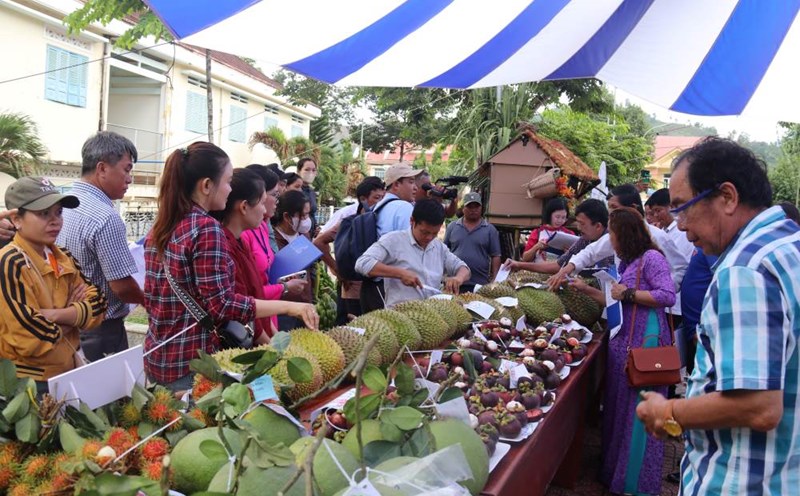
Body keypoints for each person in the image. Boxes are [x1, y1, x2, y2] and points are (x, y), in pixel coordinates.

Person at [636, 137, 800, 495]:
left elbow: (758, 407)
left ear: (727, 197)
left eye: (683, 207)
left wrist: (670, 411)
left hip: (739, 481)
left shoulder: (745, 269)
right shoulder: (789, 248)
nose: (678, 225)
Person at [144, 143, 317, 391]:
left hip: (159, 355)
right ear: (206, 186)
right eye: (226, 181)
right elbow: (222, 305)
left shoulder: (161, 226)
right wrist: (291, 306)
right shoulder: (206, 228)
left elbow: (152, 296)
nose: (229, 189)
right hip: (192, 362)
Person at [570, 207, 675, 495]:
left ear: (624, 234)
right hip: (623, 344)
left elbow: (667, 295)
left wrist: (626, 293)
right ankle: (615, 475)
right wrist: (584, 289)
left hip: (645, 345)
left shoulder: (652, 259)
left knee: (638, 414)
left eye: (613, 234)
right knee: (619, 412)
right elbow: (617, 302)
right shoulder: (629, 263)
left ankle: (635, 484)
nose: (611, 240)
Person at [0, 177, 107, 394]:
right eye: (43, 213)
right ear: (16, 219)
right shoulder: (10, 262)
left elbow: (99, 306)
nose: (55, 221)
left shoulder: (63, 256)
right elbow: (31, 338)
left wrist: (55, 315)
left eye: (58, 212)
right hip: (29, 385)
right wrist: (75, 317)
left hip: (70, 371)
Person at [57, 131, 144, 362]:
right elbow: (122, 287)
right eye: (126, 169)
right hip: (102, 331)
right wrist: (150, 301)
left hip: (65, 325)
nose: (129, 178)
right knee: (113, 395)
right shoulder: (105, 217)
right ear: (102, 168)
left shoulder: (59, 207)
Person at [547, 184, 687, 291]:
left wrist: (658, 292)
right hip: (625, 304)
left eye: (614, 207)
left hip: (658, 309)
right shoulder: (616, 235)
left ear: (633, 208)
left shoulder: (657, 236)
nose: (611, 214)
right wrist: (568, 268)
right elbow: (591, 252)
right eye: (609, 209)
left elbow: (679, 269)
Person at [355, 199, 470, 307]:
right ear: (412, 221)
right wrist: (400, 273)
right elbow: (363, 263)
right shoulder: (393, 240)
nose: (429, 237)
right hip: (401, 317)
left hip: (432, 316)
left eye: (434, 233)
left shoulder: (439, 247)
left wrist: (458, 279)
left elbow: (463, 268)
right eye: (424, 232)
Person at [210, 168, 275, 344]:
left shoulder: (241, 242)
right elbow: (241, 308)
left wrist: (276, 337)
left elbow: (256, 294)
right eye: (261, 203)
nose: (264, 210)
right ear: (244, 207)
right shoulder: (223, 248)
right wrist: (272, 349)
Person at [241, 165, 308, 334]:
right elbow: (244, 297)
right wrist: (284, 289)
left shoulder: (263, 226)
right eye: (273, 195)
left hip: (269, 317)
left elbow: (263, 281)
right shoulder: (242, 236)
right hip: (253, 324)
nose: (276, 202)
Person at [314, 177, 385, 323]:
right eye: (377, 198)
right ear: (363, 199)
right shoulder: (350, 222)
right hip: (353, 291)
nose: (381, 202)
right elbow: (319, 242)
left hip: (378, 291)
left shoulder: (382, 221)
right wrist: (338, 271)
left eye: (383, 198)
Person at [361, 162, 422, 312]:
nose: (415, 187)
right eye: (411, 182)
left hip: (371, 285)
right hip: (388, 288)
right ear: (396, 185)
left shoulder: (378, 206)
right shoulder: (403, 208)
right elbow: (412, 251)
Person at [505, 198, 613, 274]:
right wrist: (519, 264)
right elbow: (558, 265)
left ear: (598, 226)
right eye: (557, 216)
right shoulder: (584, 239)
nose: (579, 228)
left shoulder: (614, 242)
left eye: (582, 224)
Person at [644, 188, 694, 327]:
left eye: (658, 210)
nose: (655, 215)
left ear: (671, 207)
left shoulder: (680, 233)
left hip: (675, 304)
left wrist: (665, 290)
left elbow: (680, 266)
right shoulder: (665, 232)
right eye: (652, 212)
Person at [272, 189, 314, 331]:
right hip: (282, 310)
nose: (307, 220)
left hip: (304, 305)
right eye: (304, 215)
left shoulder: (305, 237)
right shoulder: (272, 240)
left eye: (308, 214)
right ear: (287, 217)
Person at [443, 192, 501, 292]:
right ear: (463, 208)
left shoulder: (490, 229)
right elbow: (443, 251)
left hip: (479, 284)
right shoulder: (453, 227)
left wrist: (495, 278)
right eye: (470, 207)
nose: (473, 210)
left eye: (476, 207)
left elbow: (496, 255)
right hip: (454, 283)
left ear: (481, 208)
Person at [521, 197, 574, 262]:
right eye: (557, 217)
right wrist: (536, 247)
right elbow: (525, 259)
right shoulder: (537, 233)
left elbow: (576, 260)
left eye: (563, 218)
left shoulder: (569, 234)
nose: (560, 220)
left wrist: (570, 254)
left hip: (560, 271)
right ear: (549, 215)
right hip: (537, 270)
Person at [297, 158, 320, 235]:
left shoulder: (312, 192)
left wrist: (316, 226)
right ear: (299, 171)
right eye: (307, 170)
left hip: (310, 234)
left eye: (313, 170)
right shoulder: (295, 190)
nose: (310, 173)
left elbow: (312, 214)